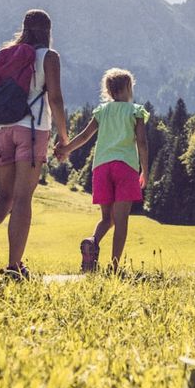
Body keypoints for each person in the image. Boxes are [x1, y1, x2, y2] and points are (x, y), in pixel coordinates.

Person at [0, 9, 68, 280]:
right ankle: (14, 266)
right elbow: (55, 98)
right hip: (31, 130)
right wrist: (64, 136)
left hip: (0, 130)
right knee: (22, 199)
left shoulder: (6, 53)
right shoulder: (49, 56)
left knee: (4, 197)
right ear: (48, 30)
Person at [67, 68, 149, 273]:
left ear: (109, 91)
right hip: (125, 167)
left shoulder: (102, 111)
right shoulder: (135, 111)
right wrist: (145, 170)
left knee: (107, 218)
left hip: (101, 168)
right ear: (128, 88)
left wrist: (65, 149)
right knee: (120, 221)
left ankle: (92, 241)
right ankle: (114, 267)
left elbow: (84, 136)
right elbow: (142, 142)